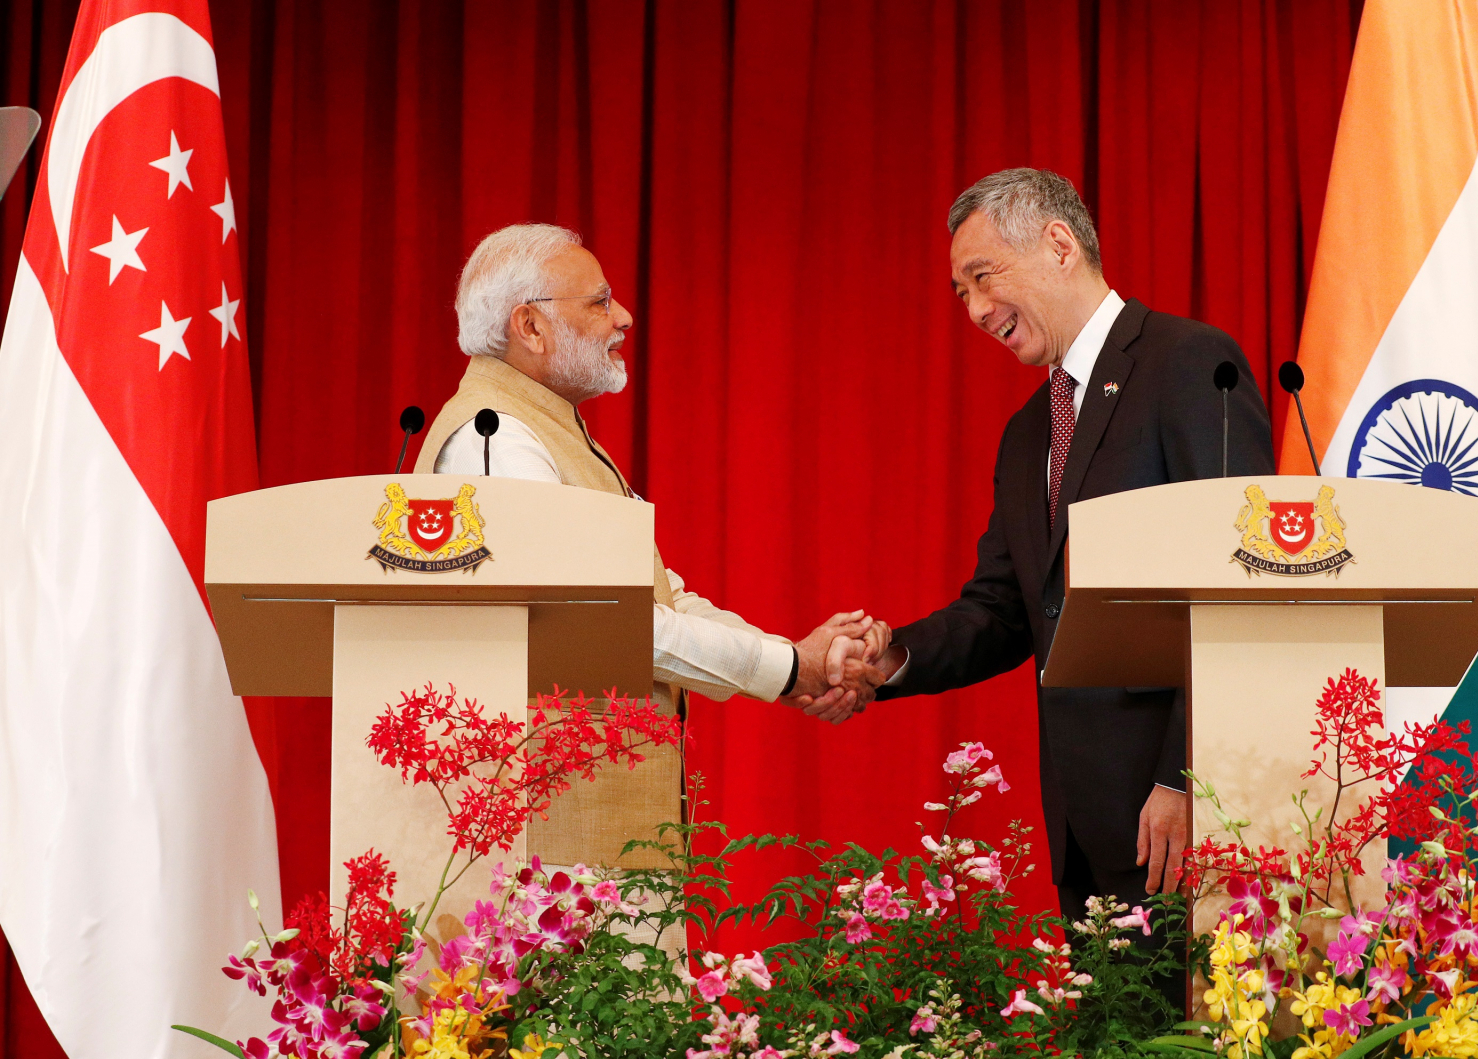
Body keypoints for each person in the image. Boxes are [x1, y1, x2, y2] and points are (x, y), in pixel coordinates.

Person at [863, 168, 1274, 929]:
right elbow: (1002, 610)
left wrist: (1188, 778)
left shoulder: (1187, 363)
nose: (979, 311)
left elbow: (1239, 582)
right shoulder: (1028, 433)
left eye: (984, 278)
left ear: (1058, 244)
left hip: (1185, 816)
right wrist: (888, 659)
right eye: (963, 295)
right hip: (1086, 831)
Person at [413, 223, 881, 717]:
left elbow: (660, 595)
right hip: (532, 786)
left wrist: (794, 662)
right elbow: (604, 618)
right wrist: (791, 668)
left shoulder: (542, 422)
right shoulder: (496, 437)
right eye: (599, 302)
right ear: (530, 327)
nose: (624, 317)